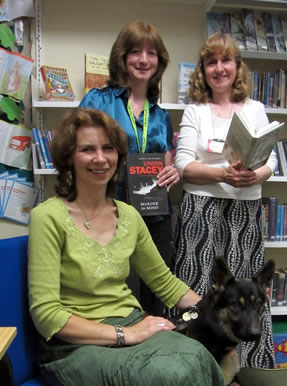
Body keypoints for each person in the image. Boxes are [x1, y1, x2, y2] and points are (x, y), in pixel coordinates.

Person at [28, 107, 238, 386]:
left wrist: (218, 311)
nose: (100, 158)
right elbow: (47, 316)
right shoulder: (47, 217)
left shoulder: (128, 215)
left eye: (108, 148)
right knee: (168, 379)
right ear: (69, 157)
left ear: (119, 157)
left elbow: (164, 281)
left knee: (198, 360)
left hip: (132, 325)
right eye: (87, 149)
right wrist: (126, 334)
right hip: (74, 347)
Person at [171, 32, 278, 377]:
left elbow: (270, 160)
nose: (219, 68)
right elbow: (184, 165)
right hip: (200, 208)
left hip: (244, 210)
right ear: (203, 69)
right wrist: (223, 174)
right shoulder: (195, 110)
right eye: (211, 61)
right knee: (195, 282)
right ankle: (186, 361)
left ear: (237, 66)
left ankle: (230, 369)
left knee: (244, 293)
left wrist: (256, 175)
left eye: (226, 60)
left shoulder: (255, 109)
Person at [79, 19, 179, 317]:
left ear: (159, 61)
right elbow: (77, 150)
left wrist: (171, 172)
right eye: (136, 51)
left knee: (156, 293)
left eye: (152, 53)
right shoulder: (98, 100)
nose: (144, 60)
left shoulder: (160, 115)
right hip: (109, 212)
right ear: (122, 56)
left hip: (155, 216)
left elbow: (167, 162)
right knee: (115, 293)